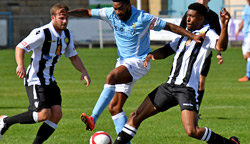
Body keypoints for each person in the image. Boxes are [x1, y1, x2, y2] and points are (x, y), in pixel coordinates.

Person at [68, 0, 203, 138]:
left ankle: (93, 118)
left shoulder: (142, 17)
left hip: (139, 62)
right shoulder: (110, 13)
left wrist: (192, 36)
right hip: (122, 64)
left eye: (120, 9)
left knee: (111, 77)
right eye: (115, 9)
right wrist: (69, 14)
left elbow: (169, 26)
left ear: (128, 5)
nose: (117, 12)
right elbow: (87, 12)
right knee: (115, 108)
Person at [114, 3, 240, 144]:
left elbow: (221, 46)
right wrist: (151, 55)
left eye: (192, 17)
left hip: (186, 89)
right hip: (168, 87)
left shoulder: (208, 34)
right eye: (187, 16)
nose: (188, 19)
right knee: (135, 117)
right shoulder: (184, 35)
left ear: (201, 19)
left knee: (192, 131)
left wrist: (224, 26)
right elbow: (166, 50)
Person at [0, 3, 91, 143]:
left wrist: (83, 70)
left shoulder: (67, 34)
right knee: (43, 114)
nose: (65, 21)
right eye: (61, 18)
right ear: (53, 17)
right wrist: (20, 65)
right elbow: (20, 47)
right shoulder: (42, 33)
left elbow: (73, 55)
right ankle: (6, 121)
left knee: (56, 114)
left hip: (50, 79)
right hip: (35, 79)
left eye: (66, 18)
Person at [180, 0, 223, 116]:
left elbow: (218, 37)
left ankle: (196, 110)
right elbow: (181, 29)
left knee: (200, 83)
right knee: (188, 81)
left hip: (205, 53)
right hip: (190, 54)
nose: (202, 0)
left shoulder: (213, 16)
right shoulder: (190, 13)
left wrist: (219, 53)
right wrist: (193, 36)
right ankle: (189, 108)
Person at [235, 0, 250, 82]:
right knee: (245, 55)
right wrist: (238, 30)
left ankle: (248, 75)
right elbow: (243, 20)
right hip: (246, 33)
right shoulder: (246, 7)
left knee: (248, 54)